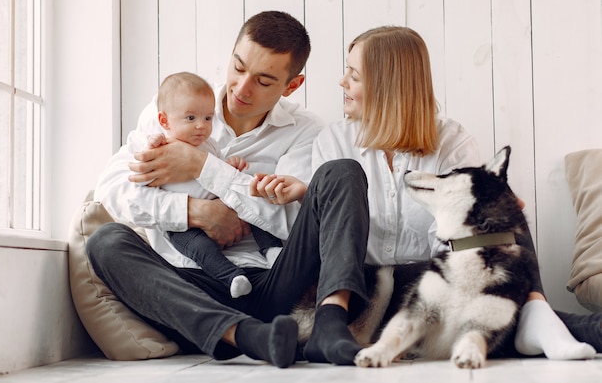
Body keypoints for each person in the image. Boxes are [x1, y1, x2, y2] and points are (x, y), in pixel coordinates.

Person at [251, 25, 602, 361]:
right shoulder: (335, 142)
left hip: (436, 285)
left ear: (388, 86)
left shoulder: (450, 141)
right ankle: (535, 321)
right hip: (365, 290)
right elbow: (335, 241)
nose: (342, 82)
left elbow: (453, 245)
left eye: (354, 76)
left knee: (500, 202)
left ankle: (537, 312)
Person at [86, 10, 371, 368]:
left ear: (291, 86)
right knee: (105, 241)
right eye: (238, 67)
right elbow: (111, 190)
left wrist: (202, 166)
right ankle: (248, 337)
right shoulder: (175, 107)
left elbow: (291, 225)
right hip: (188, 287)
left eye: (264, 81)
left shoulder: (306, 132)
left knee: (343, 172)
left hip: (273, 280)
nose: (241, 88)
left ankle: (329, 327)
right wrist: (195, 211)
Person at [129, 71, 283, 299]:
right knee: (200, 249)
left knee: (252, 206)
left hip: (225, 208)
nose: (201, 126)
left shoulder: (209, 145)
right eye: (191, 118)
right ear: (164, 121)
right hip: (185, 227)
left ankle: (271, 250)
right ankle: (231, 277)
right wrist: (153, 143)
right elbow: (137, 194)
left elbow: (219, 172)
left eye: (208, 118)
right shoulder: (159, 144)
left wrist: (231, 164)